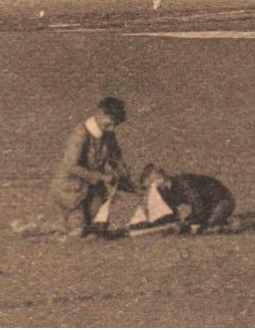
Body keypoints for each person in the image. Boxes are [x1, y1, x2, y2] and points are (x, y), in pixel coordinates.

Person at [50, 97, 132, 239]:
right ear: (100, 113)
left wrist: (126, 178)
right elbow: (71, 166)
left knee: (99, 228)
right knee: (79, 231)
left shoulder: (108, 133)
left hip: (92, 190)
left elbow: (117, 157)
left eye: (115, 125)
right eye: (110, 123)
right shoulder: (80, 133)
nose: (112, 128)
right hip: (71, 190)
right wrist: (101, 177)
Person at [135, 164, 237, 235]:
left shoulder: (183, 183)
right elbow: (172, 215)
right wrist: (152, 225)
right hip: (207, 205)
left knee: (207, 230)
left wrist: (187, 222)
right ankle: (222, 222)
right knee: (194, 228)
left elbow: (198, 205)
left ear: (161, 180)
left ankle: (229, 223)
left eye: (152, 184)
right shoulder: (164, 191)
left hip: (222, 200)